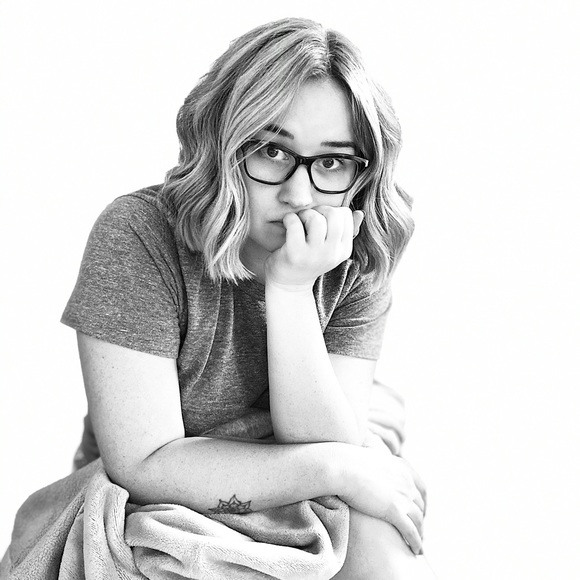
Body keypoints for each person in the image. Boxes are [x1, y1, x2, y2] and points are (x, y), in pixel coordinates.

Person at [60, 17, 434, 579]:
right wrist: (338, 467)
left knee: (379, 518)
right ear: (224, 145)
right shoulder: (139, 234)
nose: (299, 193)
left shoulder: (358, 251)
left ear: (361, 173)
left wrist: (291, 290)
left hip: (307, 482)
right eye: (271, 151)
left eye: (331, 161)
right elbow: (143, 463)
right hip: (167, 493)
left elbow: (329, 444)